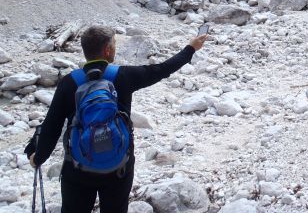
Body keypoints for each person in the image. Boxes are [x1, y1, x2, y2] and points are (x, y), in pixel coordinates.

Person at [24, 25, 208, 213]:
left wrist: (38, 157)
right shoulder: (123, 76)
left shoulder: (70, 82)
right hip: (118, 167)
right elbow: (161, 70)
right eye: (114, 44)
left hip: (78, 167)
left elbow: (51, 127)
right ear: (107, 50)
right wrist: (190, 48)